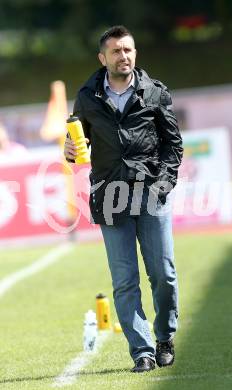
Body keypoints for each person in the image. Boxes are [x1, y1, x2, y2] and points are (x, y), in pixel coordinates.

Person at [64, 25, 183, 373]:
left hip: (151, 193)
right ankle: (142, 351)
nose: (123, 56)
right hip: (109, 194)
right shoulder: (87, 96)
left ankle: (164, 338)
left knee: (163, 273)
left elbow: (172, 146)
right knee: (125, 279)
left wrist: (162, 186)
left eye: (128, 50)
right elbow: (77, 146)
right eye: (116, 51)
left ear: (135, 53)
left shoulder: (155, 93)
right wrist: (69, 150)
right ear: (103, 58)